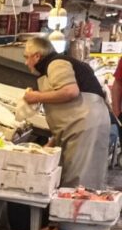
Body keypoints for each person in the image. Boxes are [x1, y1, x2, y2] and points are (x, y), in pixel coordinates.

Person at [22, 34, 110, 196]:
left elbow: (70, 91)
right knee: (73, 177)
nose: (26, 62)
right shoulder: (52, 67)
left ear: (37, 56)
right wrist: (53, 141)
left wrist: (35, 97)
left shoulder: (56, 64)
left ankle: (76, 219)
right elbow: (67, 111)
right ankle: (69, 219)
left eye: (27, 57)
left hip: (85, 126)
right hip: (81, 127)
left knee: (80, 182)